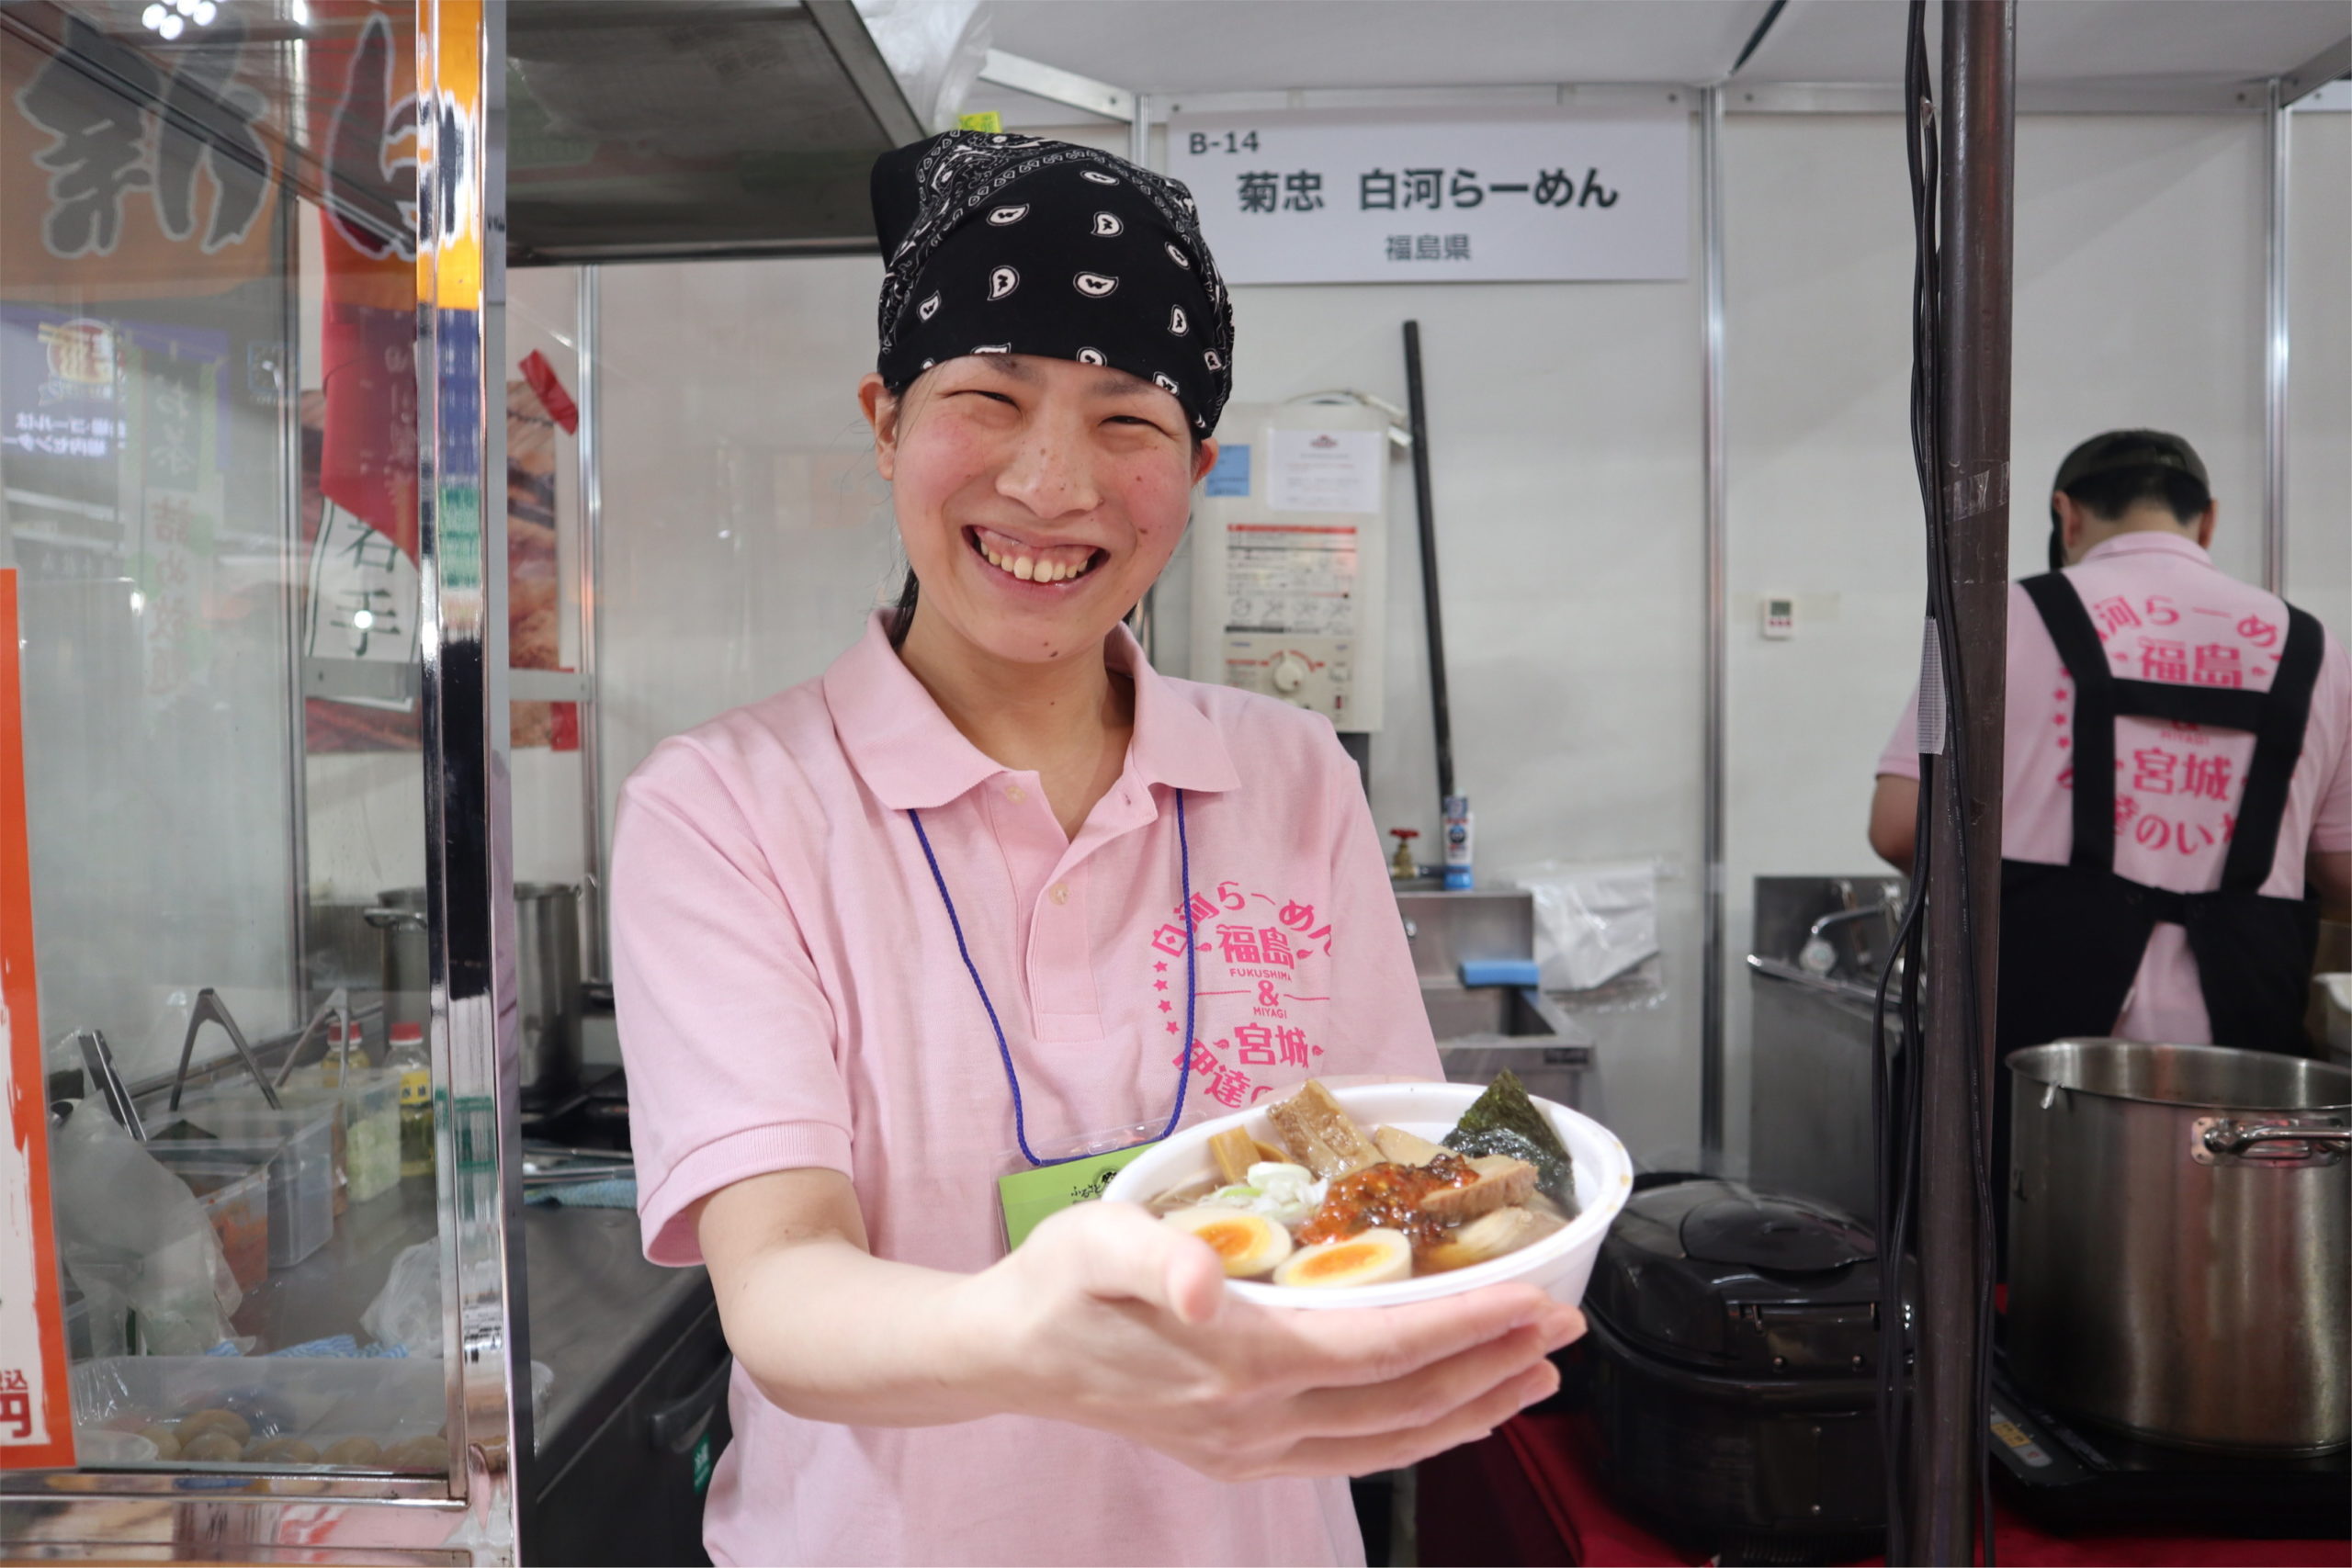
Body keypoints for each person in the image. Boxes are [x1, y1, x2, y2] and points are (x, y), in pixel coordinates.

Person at [611, 132, 1584, 1568]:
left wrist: (1543, 1212)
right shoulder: (727, 803)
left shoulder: (1291, 775)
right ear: (886, 421)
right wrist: (1029, 1332)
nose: (1053, 480)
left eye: (1129, 419)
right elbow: (784, 1290)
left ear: (1194, 464)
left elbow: (1402, 1153)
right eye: (988, 397)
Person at [1868, 429, 2352, 1058]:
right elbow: (2343, 869)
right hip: (2246, 1047)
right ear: (2208, 521)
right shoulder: (2318, 649)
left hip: (2036, 1044)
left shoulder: (1979, 621)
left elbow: (1898, 826)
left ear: (2066, 516)